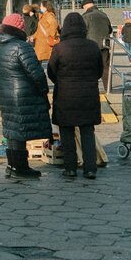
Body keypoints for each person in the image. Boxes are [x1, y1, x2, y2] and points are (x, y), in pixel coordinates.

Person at [0, 12, 51, 180]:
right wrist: (44, 91)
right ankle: (21, 168)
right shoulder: (21, 46)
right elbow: (36, 73)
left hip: (2, 93)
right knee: (20, 129)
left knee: (11, 128)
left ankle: (12, 166)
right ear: (20, 28)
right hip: (20, 94)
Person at [48, 11, 105, 180]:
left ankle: (70, 168)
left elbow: (51, 72)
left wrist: (62, 80)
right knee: (87, 132)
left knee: (66, 132)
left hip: (65, 96)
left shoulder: (59, 48)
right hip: (88, 95)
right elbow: (99, 71)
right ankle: (90, 169)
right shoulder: (93, 46)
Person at [81, 0, 113, 93]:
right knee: (105, 68)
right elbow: (110, 29)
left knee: (91, 68)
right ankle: (108, 89)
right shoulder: (104, 15)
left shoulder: (86, 16)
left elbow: (82, 31)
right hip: (105, 46)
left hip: (91, 46)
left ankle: (92, 89)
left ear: (85, 6)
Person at [30, 0, 60, 72]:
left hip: (45, 42)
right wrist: (33, 36)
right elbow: (39, 30)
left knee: (42, 59)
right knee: (39, 59)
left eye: (41, 6)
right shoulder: (44, 16)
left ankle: (40, 74)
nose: (40, 8)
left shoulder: (49, 15)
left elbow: (54, 25)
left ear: (45, 7)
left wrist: (49, 35)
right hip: (41, 42)